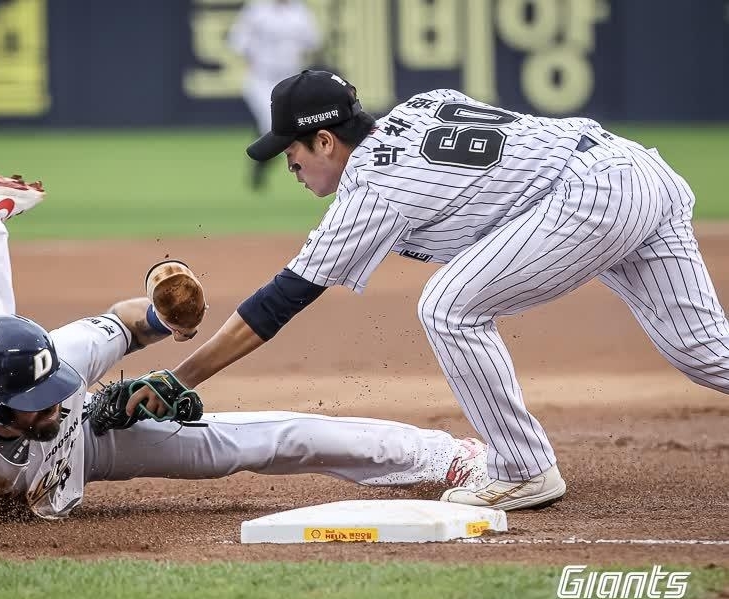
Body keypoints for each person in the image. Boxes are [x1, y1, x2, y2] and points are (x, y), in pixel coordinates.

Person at [127, 69, 725, 512]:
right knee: (705, 352)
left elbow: (282, 300)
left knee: (449, 307)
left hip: (592, 198)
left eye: (292, 153)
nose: (290, 166)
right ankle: (521, 463)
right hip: (640, 173)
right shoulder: (425, 104)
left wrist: (181, 378)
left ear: (327, 142)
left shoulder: (370, 190)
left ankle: (522, 468)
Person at [0, 173, 488, 537]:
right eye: (35, 407)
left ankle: (442, 455)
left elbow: (125, 325)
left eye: (56, 394)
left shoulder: (58, 360)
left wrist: (169, 315)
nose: (53, 404)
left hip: (93, 439)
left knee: (256, 439)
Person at [228, 0, 320, 190]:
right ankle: (262, 163)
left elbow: (313, 41)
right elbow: (238, 41)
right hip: (263, 79)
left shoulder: (299, 11)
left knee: (287, 126)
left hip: (289, 79)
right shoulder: (257, 10)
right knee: (271, 124)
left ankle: (262, 164)